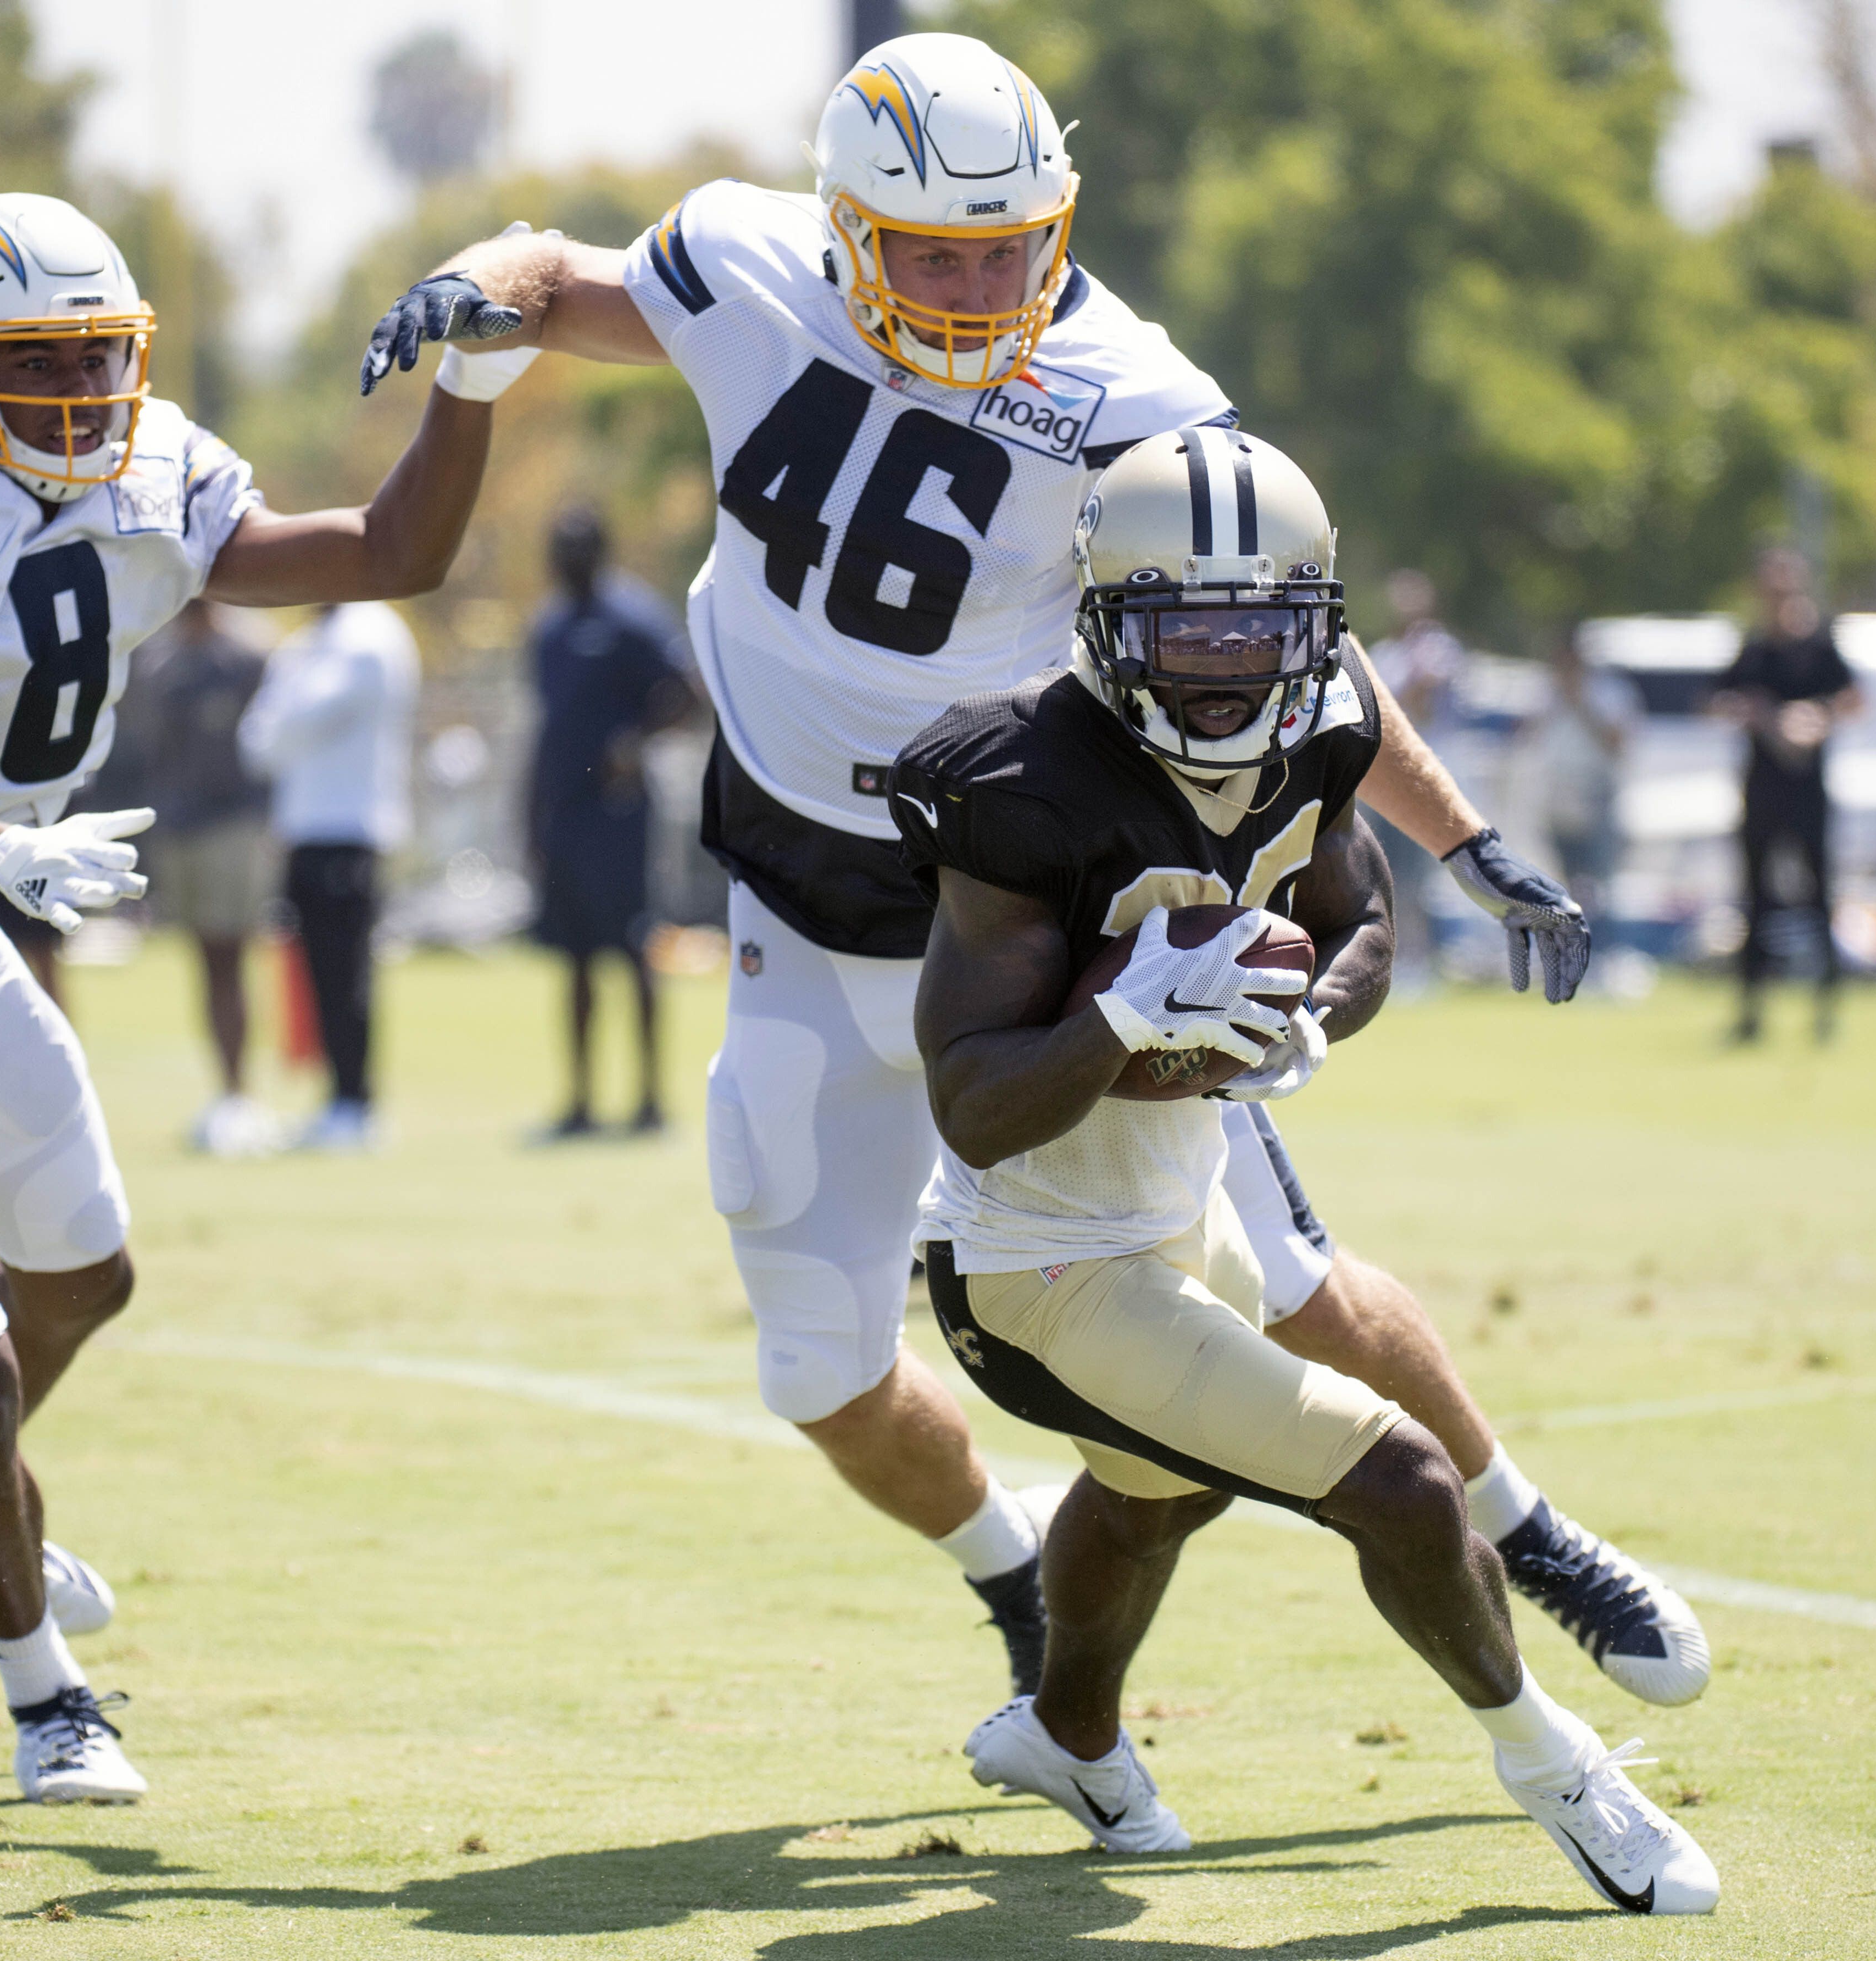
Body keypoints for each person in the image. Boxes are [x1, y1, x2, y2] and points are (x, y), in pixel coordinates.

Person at [358, 30, 1704, 1712]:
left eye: (1015, 239)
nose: (986, 279)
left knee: (1278, 1276)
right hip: (794, 883)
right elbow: (552, 279)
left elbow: (1301, 651)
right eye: (938, 247)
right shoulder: (750, 262)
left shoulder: (1134, 393)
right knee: (820, 1361)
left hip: (1025, 893)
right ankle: (1012, 1581)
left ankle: (1526, 1523)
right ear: (848, 227)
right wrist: (464, 281)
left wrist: (1474, 840)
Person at [0, 192, 514, 1802]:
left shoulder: (150, 470)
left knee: (86, 1274)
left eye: (96, 362)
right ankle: (49, 1701)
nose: (75, 401)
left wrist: (468, 393)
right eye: (32, 365)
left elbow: (389, 552)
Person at [896, 436, 1715, 1910]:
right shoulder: (1016, 783)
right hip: (1031, 1262)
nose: (1225, 673)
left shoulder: (1323, 727)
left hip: (1177, 1208)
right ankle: (1553, 1766)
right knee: (1397, 1477)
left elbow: (1362, 924)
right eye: (1184, 633)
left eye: (1258, 632)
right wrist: (1125, 1016)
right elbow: (972, 1105)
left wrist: (1299, 1028)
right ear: (1103, 622)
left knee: (1155, 1493)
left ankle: (1068, 1733)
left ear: (1312, 628)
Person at [525, 506, 694, 1138]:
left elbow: (685, 692)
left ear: (598, 554)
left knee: (633, 950)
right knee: (574, 960)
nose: (566, 564)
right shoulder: (549, 626)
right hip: (565, 813)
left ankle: (649, 1100)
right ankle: (580, 1102)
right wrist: (531, 817)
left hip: (618, 816)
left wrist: (636, 739)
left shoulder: (632, 618)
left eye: (576, 551)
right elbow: (545, 727)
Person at [240, 599, 419, 1152]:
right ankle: (335, 1097)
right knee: (317, 972)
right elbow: (259, 741)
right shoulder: (305, 642)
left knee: (349, 973)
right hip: (303, 827)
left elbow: (300, 718)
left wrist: (288, 718)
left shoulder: (372, 633)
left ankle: (356, 1100)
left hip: (353, 826)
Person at [139, 600, 276, 1156]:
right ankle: (226, 1094)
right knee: (205, 959)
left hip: (233, 823)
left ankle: (240, 1094)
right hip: (181, 825)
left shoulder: (248, 651)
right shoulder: (160, 659)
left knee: (231, 956)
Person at [1709, 547, 1858, 1044]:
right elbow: (1716, 700)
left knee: (1818, 897)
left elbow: (1852, 699)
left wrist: (1815, 720)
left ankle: (1826, 1006)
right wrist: (1751, 714)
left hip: (1808, 795)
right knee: (1757, 902)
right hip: (1762, 793)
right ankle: (1752, 1009)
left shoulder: (1819, 647)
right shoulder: (1752, 650)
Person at [1365, 570, 1468, 985]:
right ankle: (1394, 959)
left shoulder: (1441, 650)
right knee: (1384, 876)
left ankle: (1420, 960)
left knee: (1417, 880)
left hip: (1423, 784)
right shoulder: (1384, 653)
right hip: (1385, 783)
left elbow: (1423, 706)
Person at [1520, 620, 1641, 923]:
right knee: (1564, 878)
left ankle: (1603, 948)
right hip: (1555, 790)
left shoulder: (1608, 690)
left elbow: (1616, 742)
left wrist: (1580, 702)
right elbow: (1527, 735)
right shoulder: (1545, 691)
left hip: (1594, 789)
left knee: (1599, 878)